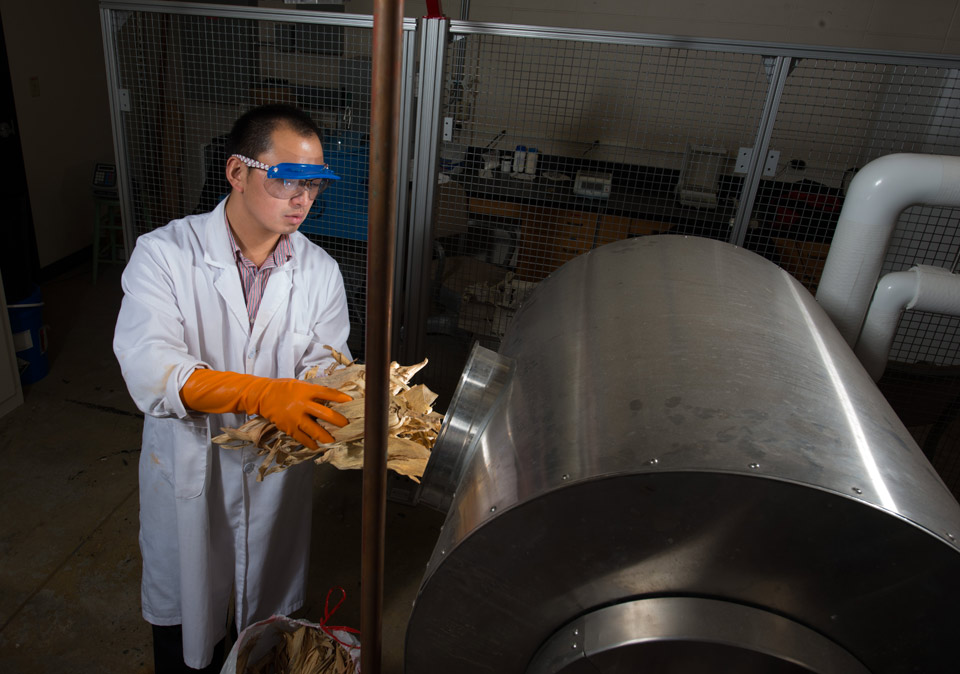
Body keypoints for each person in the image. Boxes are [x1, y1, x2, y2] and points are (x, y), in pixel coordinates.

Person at [114, 104, 354, 672]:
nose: (302, 198)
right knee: (187, 631)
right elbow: (151, 369)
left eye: (315, 183)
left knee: (264, 633)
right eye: (287, 179)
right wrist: (264, 394)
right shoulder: (166, 255)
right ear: (237, 172)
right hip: (191, 474)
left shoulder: (319, 272)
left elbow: (327, 368)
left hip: (276, 482)